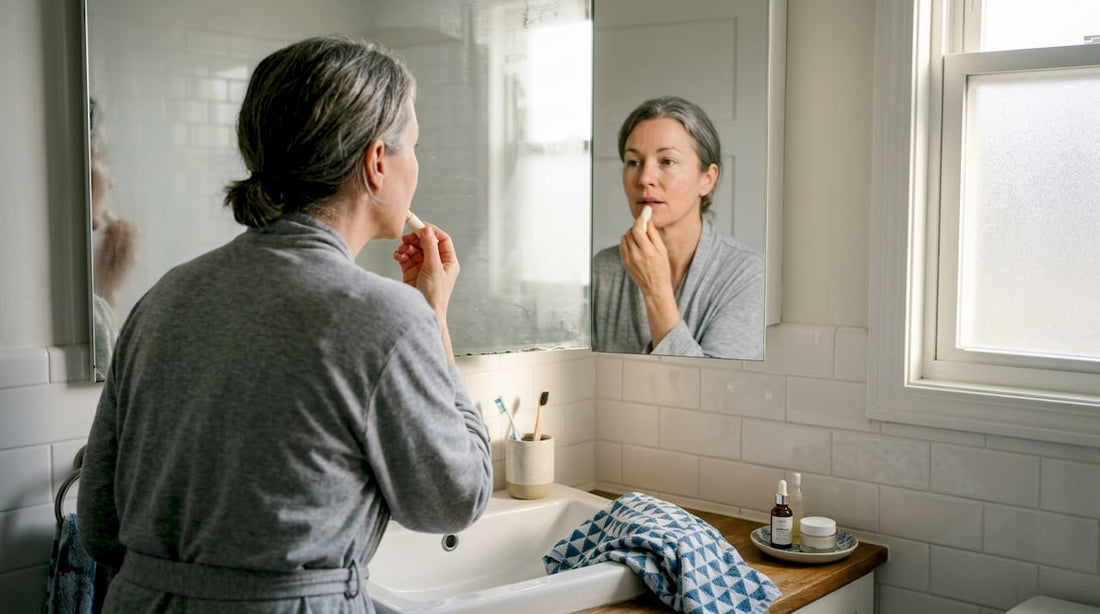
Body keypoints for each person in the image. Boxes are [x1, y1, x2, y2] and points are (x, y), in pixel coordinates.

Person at [77, 35, 493, 613]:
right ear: (376, 162)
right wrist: (434, 317)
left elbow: (99, 524)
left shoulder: (163, 298)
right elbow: (455, 498)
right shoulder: (383, 318)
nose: (416, 167)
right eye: (414, 147)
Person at [592, 96, 765, 360]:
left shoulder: (746, 274)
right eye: (633, 162)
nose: (645, 178)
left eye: (667, 161)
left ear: (707, 179)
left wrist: (656, 291)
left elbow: (713, 392)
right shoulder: (604, 269)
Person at [88, 98, 138, 379]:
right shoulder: (90, 314)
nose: (112, 181)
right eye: (102, 156)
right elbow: (114, 402)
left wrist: (108, 288)